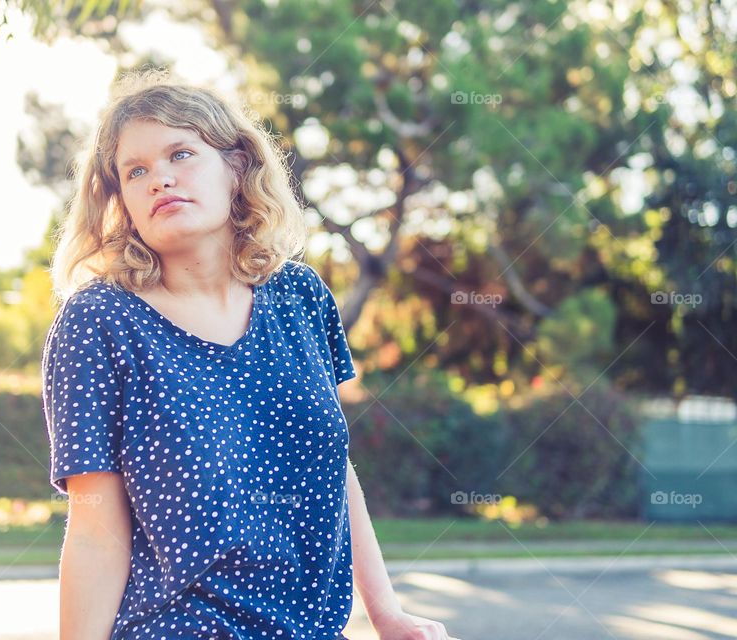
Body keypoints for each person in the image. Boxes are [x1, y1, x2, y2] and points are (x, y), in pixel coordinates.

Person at [42, 68, 455, 640]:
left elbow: (333, 470)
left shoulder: (301, 297)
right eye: (136, 171)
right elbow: (93, 527)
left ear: (236, 167)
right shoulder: (99, 322)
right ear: (122, 202)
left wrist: (386, 612)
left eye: (180, 154)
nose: (159, 179)